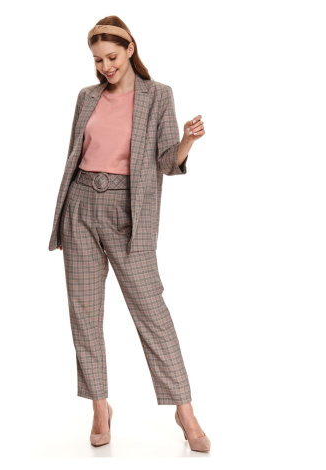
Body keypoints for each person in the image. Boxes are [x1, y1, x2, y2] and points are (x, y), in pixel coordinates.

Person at [48, 17, 210, 452]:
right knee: (84, 313)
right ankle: (100, 407)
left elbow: (166, 162)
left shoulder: (158, 96)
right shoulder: (87, 98)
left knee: (151, 312)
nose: (106, 67)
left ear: (130, 49)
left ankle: (184, 410)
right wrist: (61, 218)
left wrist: (186, 141)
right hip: (80, 206)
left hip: (129, 213)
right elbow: (73, 158)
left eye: (112, 57)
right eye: (98, 60)